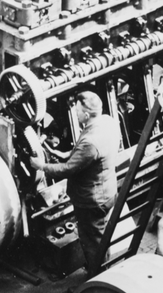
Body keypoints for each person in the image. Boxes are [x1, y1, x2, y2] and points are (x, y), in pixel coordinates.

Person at [28, 91, 120, 275]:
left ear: (86, 114)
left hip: (92, 200)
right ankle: (103, 266)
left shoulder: (90, 142)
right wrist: (65, 154)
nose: (75, 113)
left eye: (77, 111)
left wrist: (41, 166)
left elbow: (67, 169)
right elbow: (87, 153)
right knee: (99, 236)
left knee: (91, 241)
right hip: (107, 191)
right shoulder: (107, 122)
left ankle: (98, 275)